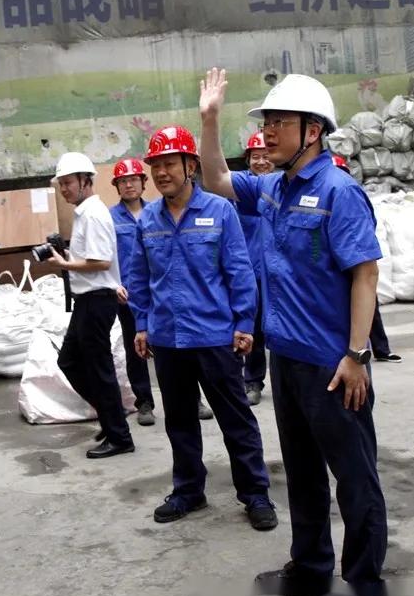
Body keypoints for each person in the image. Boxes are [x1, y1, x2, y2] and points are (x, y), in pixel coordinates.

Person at [198, 68, 387, 596]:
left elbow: (366, 276)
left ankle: (364, 584)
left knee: (354, 477)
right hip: (287, 359)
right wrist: (209, 119)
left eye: (280, 122)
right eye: (268, 122)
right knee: (302, 473)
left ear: (313, 130)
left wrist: (357, 356)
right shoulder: (274, 188)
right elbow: (216, 180)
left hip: (333, 364)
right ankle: (310, 570)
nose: (268, 132)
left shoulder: (338, 192)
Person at [125, 126, 277, 530]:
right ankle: (189, 491)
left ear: (190, 165)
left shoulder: (220, 210)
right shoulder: (148, 219)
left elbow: (239, 270)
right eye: (156, 165)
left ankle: (255, 493)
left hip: (214, 336)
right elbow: (139, 276)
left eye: (169, 163)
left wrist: (244, 322)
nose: (161, 172)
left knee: (236, 420)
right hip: (167, 338)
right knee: (179, 423)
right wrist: (141, 324)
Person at [48, 152, 134, 459]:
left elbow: (101, 262)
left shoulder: (94, 214)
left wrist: (64, 264)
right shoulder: (84, 212)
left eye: (68, 183)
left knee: (99, 369)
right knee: (69, 362)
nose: (64, 189)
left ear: (85, 180)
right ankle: (112, 418)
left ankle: (119, 436)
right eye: (61, 184)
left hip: (97, 300)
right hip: (88, 300)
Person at [332, 156, 401, 364]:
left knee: (368, 303)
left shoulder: (352, 196)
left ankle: (380, 349)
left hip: (355, 259)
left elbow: (367, 225)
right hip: (334, 266)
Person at [108, 158, 158, 426]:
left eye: (133, 180)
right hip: (128, 295)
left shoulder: (158, 213)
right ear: (117, 186)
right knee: (135, 348)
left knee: (174, 346)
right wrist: (114, 284)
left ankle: (191, 399)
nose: (129, 185)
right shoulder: (109, 218)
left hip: (159, 292)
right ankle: (144, 402)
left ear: (143, 182)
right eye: (123, 181)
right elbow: (106, 256)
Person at [238, 131, 273, 405]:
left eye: (265, 156)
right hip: (249, 271)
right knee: (252, 330)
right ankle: (252, 381)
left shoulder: (282, 187)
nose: (261, 162)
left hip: (278, 273)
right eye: (255, 157)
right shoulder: (239, 191)